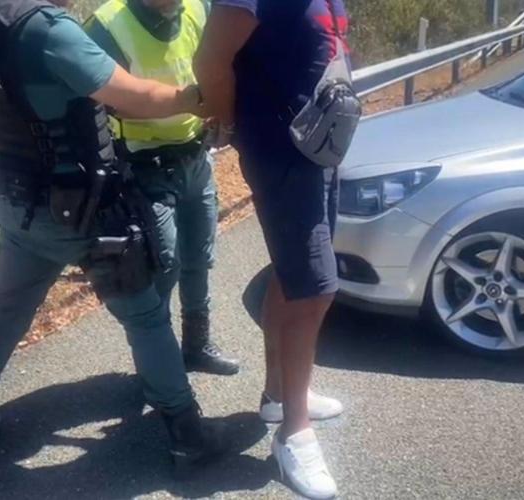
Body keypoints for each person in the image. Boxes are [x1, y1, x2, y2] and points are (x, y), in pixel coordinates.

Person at [0, 0, 227, 476]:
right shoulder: (47, 31)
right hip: (83, 208)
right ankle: (187, 434)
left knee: (5, 313)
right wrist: (201, 98)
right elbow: (133, 95)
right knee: (146, 316)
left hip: (17, 203)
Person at [194, 1, 350, 498]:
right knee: (314, 289)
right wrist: (229, 125)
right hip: (281, 151)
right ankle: (293, 434)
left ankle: (279, 395)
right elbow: (209, 61)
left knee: (293, 274)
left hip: (321, 143)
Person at [84, 0, 240, 377]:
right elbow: (108, 100)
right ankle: (159, 360)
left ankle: (197, 345)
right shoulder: (108, 24)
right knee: (162, 266)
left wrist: (221, 113)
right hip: (143, 165)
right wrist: (186, 101)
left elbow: (218, 66)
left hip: (195, 157)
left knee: (199, 256)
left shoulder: (199, 8)